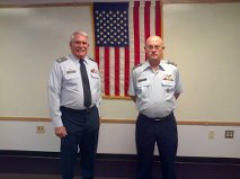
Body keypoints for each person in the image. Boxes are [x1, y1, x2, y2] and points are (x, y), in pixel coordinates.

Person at [48, 31, 101, 179]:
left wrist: (98, 114)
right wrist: (57, 123)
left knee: (89, 155)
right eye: (77, 42)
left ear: (88, 45)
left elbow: (97, 92)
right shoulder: (60, 64)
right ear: (70, 45)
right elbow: (53, 93)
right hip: (70, 117)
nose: (81, 46)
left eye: (84, 43)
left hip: (91, 116)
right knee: (68, 156)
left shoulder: (93, 64)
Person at [128, 36, 183, 179]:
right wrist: (148, 107)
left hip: (167, 123)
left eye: (157, 46)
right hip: (145, 123)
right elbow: (134, 95)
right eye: (150, 47)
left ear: (162, 49)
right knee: (143, 162)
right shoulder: (137, 71)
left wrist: (162, 106)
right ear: (145, 49)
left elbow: (176, 92)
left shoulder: (173, 69)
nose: (153, 50)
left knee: (169, 161)